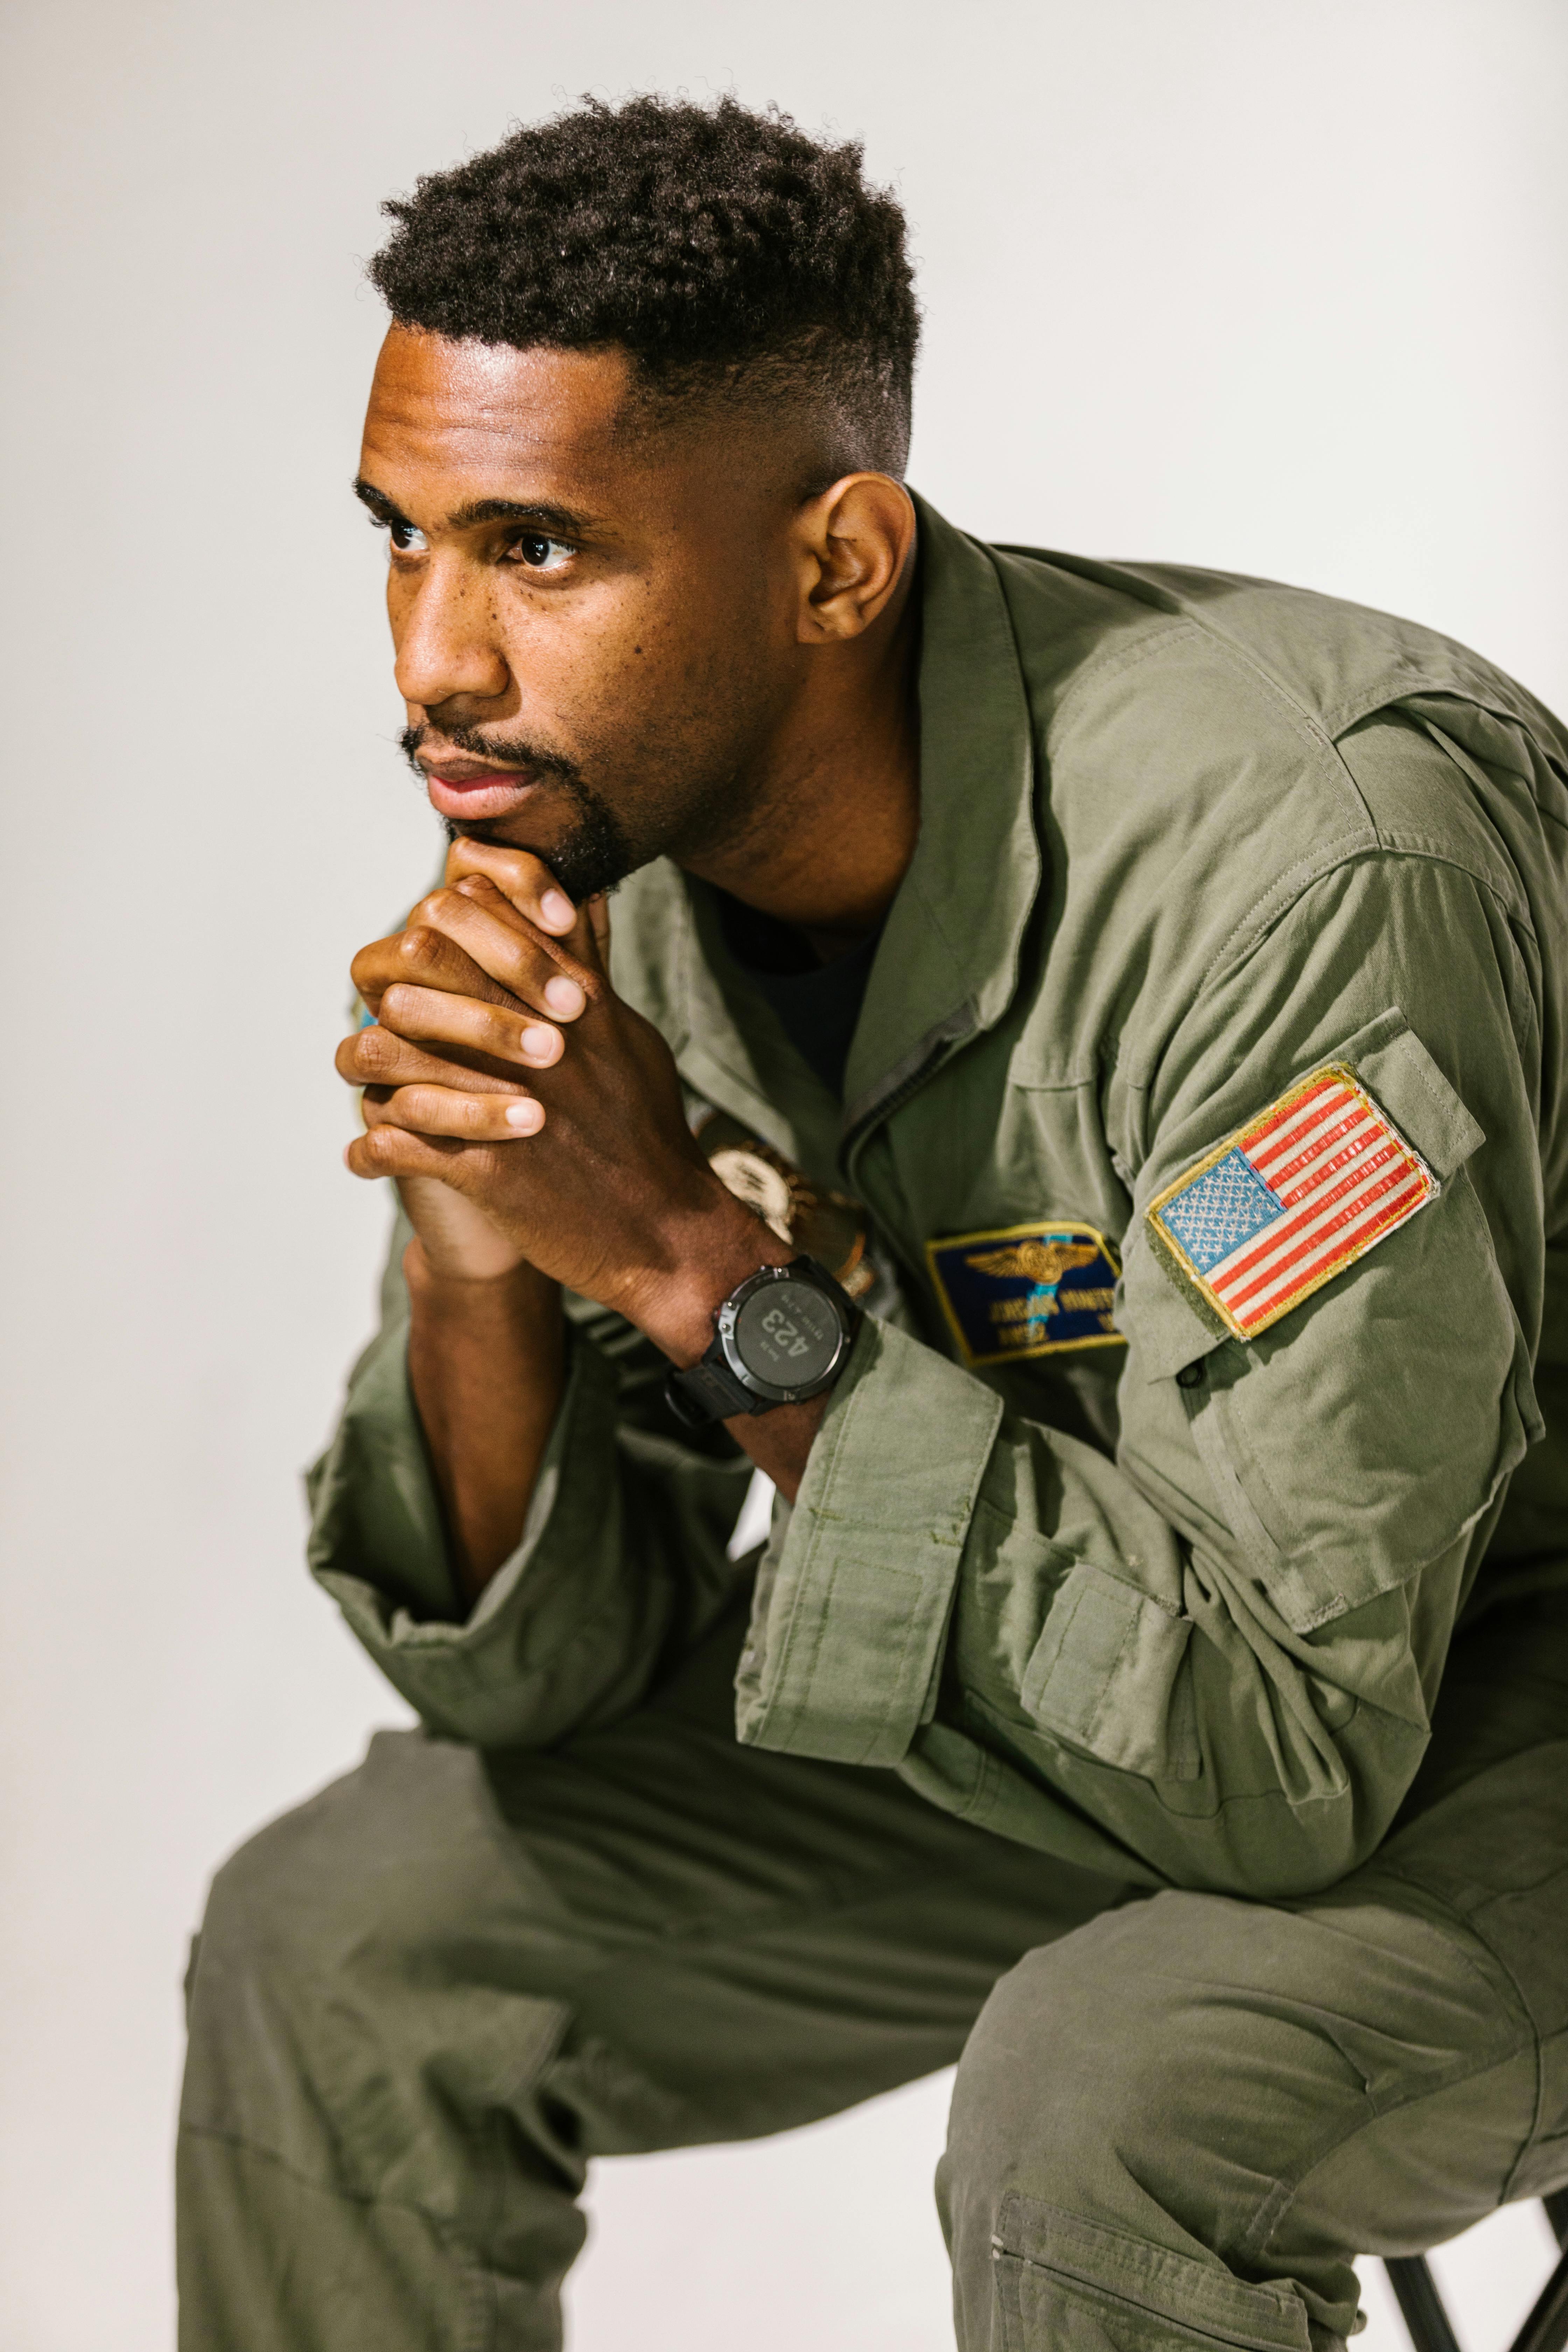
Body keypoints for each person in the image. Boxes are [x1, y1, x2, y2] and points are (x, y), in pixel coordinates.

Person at [177, 93, 1568, 2352]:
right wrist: (475, 1234)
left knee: (1116, 2094)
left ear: (837, 565)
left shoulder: (1309, 860)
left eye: (537, 550)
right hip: (1129, 1656)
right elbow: (541, 1680)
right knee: (354, 1936)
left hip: (1481, 1680)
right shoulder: (602, 866)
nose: (432, 659)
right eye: (402, 538)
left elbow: (1292, 1762)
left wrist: (687, 1267)